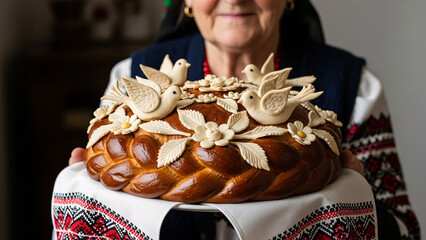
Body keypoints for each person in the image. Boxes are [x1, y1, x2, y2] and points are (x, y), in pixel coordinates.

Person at [68, 0, 420, 239]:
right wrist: (99, 204)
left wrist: (355, 203)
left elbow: (404, 230)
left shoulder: (353, 86)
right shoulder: (131, 82)